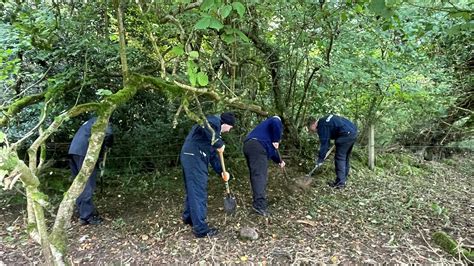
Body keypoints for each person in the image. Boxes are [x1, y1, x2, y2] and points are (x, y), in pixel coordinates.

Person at [181, 112, 235, 238]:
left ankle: (189, 217)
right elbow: (207, 128)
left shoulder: (213, 132)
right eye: (230, 128)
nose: (229, 131)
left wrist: (222, 171)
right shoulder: (212, 122)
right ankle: (200, 229)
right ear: (226, 124)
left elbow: (213, 155)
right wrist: (219, 143)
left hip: (192, 156)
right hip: (194, 157)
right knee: (198, 191)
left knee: (192, 189)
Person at [68, 116, 113, 225]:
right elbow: (109, 134)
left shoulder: (90, 122)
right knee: (87, 183)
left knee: (79, 183)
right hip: (85, 153)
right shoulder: (103, 119)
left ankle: (82, 211)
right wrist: (108, 145)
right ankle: (87, 216)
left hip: (73, 151)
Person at [243, 116, 285, 216]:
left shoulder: (264, 132)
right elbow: (275, 120)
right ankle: (259, 206)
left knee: (256, 175)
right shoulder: (275, 120)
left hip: (249, 146)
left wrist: (279, 161)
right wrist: (276, 139)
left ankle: (257, 202)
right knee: (260, 176)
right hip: (257, 147)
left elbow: (272, 151)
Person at [308, 115, 357, 189]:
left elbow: (325, 144)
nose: (312, 131)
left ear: (314, 124)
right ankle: (343, 180)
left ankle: (340, 183)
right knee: (345, 157)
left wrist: (320, 159)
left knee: (340, 157)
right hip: (353, 132)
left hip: (346, 134)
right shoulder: (324, 120)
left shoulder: (322, 126)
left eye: (311, 129)